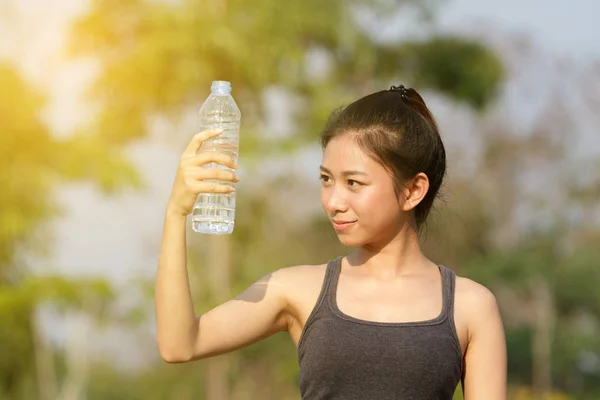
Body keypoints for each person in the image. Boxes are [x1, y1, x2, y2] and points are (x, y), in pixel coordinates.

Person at [155, 84, 507, 399]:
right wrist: (176, 212)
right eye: (326, 180)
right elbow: (180, 343)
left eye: (353, 183)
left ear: (413, 190)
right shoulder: (295, 290)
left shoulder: (471, 306)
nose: (333, 201)